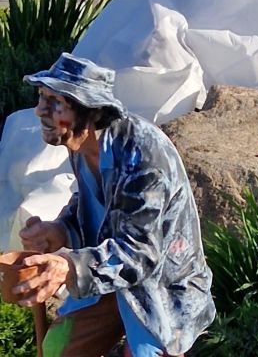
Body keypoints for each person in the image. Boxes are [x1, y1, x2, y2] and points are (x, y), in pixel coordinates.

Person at [13, 52, 215, 357]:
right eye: (42, 97)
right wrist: (61, 230)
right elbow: (94, 204)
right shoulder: (81, 145)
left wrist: (69, 267)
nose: (40, 110)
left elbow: (139, 253)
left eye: (55, 102)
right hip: (108, 276)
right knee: (59, 346)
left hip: (159, 292)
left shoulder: (144, 155)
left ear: (91, 111)